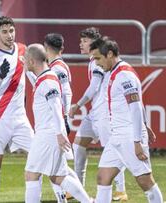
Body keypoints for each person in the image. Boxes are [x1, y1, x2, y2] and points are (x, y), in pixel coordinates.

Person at [90, 37, 163, 203]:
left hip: (129, 136)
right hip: (117, 135)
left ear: (109, 54)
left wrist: (137, 140)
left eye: (97, 58)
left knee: (145, 180)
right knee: (103, 177)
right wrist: (145, 124)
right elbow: (136, 104)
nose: (96, 63)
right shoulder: (114, 72)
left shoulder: (124, 75)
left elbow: (135, 108)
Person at [23, 43, 92, 203]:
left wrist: (60, 134)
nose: (24, 62)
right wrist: (28, 74)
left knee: (32, 174)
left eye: (26, 59)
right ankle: (88, 201)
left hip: (48, 135)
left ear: (32, 61)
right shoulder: (46, 78)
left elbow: (55, 108)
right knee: (58, 176)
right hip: (50, 134)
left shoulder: (48, 81)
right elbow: (42, 91)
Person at [69, 27, 128, 201]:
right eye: (81, 41)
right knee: (78, 145)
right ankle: (77, 188)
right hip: (95, 112)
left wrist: (77, 105)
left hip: (104, 113)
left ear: (94, 44)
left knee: (112, 149)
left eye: (85, 41)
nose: (81, 44)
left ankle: (121, 190)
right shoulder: (93, 61)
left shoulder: (97, 62)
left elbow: (94, 87)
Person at [0, 16, 34, 203]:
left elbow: (30, 74)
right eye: (4, 32)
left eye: (11, 31)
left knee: (38, 156)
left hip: (20, 117)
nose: (9, 35)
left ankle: (38, 198)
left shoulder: (23, 49)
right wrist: (1, 75)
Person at [44, 33, 72, 136]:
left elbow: (66, 92)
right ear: (62, 48)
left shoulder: (58, 68)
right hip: (55, 114)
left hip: (57, 116)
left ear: (46, 47)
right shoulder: (53, 66)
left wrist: (65, 116)